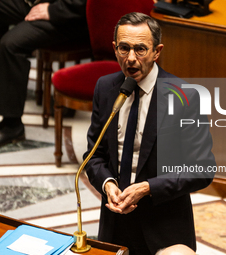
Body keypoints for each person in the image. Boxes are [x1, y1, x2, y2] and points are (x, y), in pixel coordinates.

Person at [84, 12, 216, 255]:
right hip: (115, 225)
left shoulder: (185, 96)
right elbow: (94, 155)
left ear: (157, 51)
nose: (131, 59)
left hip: (164, 225)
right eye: (124, 48)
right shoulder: (105, 88)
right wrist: (107, 183)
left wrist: (147, 187)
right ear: (114, 49)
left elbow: (202, 169)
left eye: (140, 49)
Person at [0, 0, 87, 149]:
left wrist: (52, 11)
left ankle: (11, 126)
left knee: (11, 44)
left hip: (70, 16)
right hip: (43, 3)